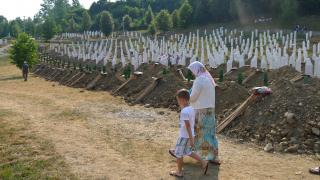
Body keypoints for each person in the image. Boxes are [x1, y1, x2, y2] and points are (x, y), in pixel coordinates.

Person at [169, 89, 209, 178]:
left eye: (178, 100)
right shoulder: (191, 109)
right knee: (188, 151)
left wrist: (191, 139)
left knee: (178, 154)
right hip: (189, 135)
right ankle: (203, 162)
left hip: (184, 136)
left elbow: (187, 126)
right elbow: (191, 124)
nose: (178, 102)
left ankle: (179, 172)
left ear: (182, 100)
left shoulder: (184, 111)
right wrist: (192, 137)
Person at [188, 61, 220, 165]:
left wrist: (186, 95)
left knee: (199, 134)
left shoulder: (199, 80)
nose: (193, 73)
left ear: (196, 70)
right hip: (210, 111)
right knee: (210, 134)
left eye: (192, 71)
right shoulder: (208, 79)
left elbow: (193, 98)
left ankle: (201, 157)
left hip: (201, 112)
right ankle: (214, 157)